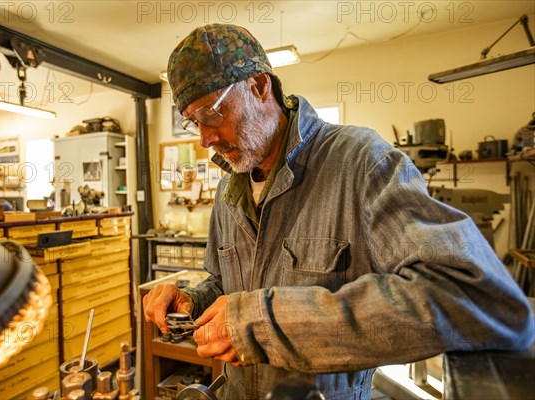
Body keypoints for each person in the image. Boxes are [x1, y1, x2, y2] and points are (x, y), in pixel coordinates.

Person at [143, 24, 534, 399]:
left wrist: (262, 323)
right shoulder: (231, 183)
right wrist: (193, 300)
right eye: (194, 122)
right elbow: (225, 283)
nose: (205, 139)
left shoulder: (362, 162)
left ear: (259, 86)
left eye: (212, 114)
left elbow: (473, 297)